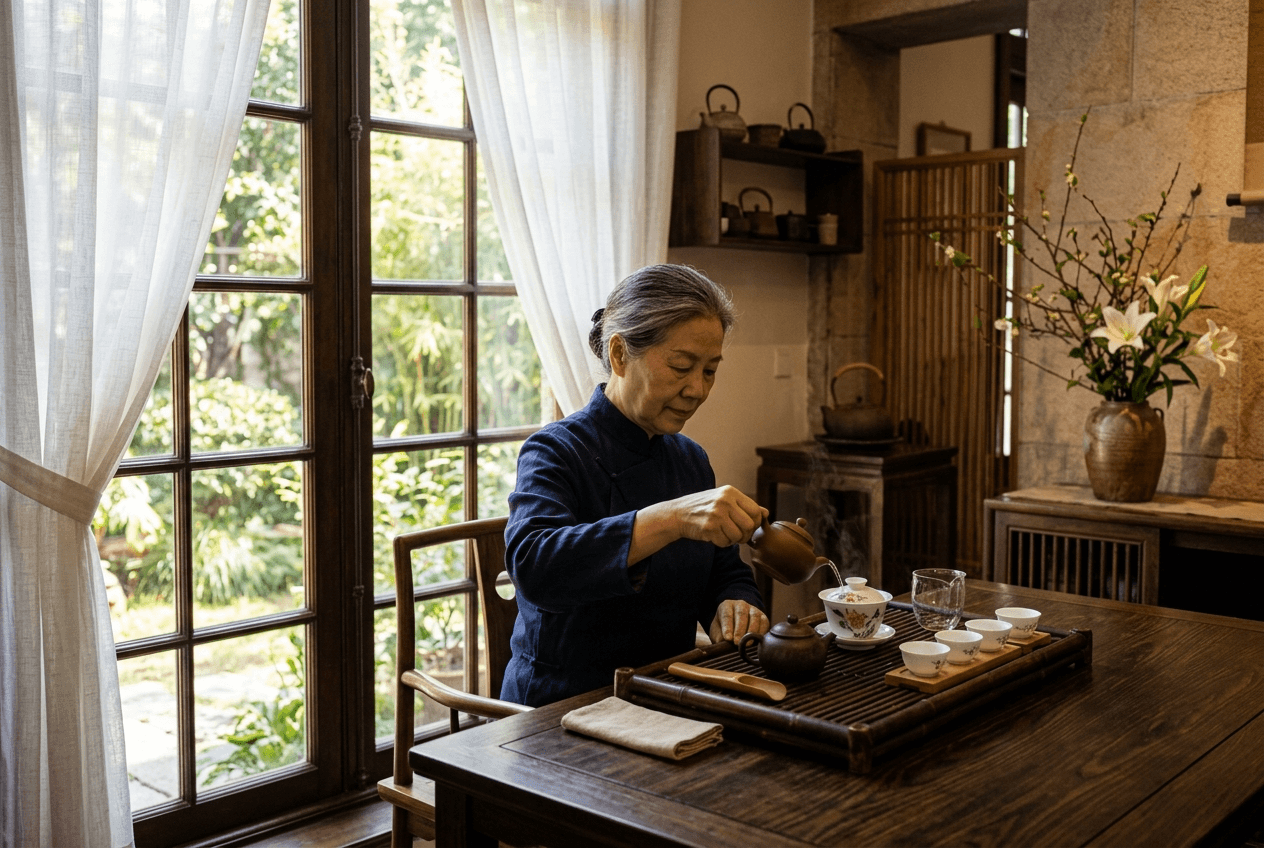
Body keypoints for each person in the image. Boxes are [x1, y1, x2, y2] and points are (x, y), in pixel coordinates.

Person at [501, 264, 771, 707]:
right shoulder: (555, 450)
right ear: (621, 354)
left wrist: (734, 602)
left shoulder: (689, 458)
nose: (697, 390)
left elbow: (724, 570)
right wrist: (670, 519)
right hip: (563, 707)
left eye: (709, 371)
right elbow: (534, 567)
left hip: (662, 693)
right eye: (681, 366)